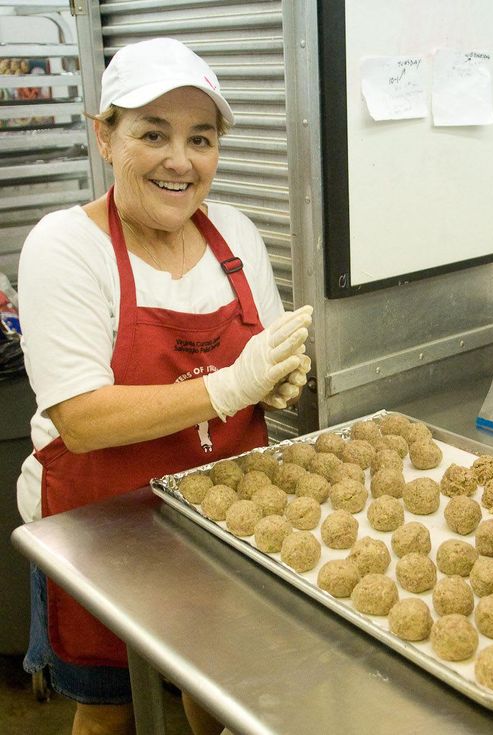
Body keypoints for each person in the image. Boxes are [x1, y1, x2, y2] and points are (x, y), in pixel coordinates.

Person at [15, 38, 312, 735]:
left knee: (218, 686)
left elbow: (263, 363)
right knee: (109, 711)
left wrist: (280, 381)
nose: (181, 160)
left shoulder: (234, 233)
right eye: (153, 134)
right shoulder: (65, 246)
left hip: (223, 522)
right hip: (102, 533)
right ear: (104, 136)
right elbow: (82, 419)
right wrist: (230, 386)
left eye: (200, 139)